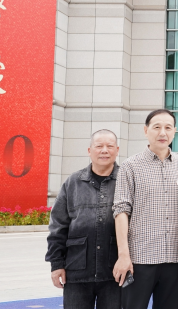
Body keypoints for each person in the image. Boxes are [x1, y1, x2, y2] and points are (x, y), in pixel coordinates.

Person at [112, 109, 178, 309]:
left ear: (175, 131)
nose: (162, 133)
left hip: (174, 258)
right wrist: (123, 255)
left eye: (168, 128)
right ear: (146, 130)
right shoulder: (130, 166)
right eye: (157, 127)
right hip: (140, 259)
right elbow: (121, 211)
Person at [46, 130, 121, 309]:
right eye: (99, 146)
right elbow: (58, 227)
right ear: (89, 150)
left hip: (115, 272)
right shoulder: (73, 182)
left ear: (117, 150)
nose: (104, 150)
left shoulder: (126, 180)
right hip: (77, 271)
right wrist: (56, 264)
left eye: (110, 146)